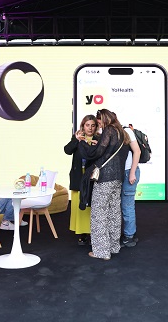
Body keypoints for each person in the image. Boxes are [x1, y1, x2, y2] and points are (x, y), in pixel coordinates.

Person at [79, 109, 130, 260]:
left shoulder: (109, 130)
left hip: (105, 178)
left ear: (104, 119)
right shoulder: (122, 132)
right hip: (117, 178)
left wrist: (82, 142)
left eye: (99, 122)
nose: (99, 125)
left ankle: (101, 252)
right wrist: (98, 144)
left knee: (99, 214)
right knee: (114, 213)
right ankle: (114, 247)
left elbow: (96, 153)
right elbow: (108, 150)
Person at [65, 115, 99, 245]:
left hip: (92, 178)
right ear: (83, 126)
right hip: (78, 177)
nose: (90, 128)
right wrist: (76, 140)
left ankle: (92, 232)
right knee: (79, 206)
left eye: (93, 125)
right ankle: (83, 233)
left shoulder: (99, 139)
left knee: (91, 206)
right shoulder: (78, 137)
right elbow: (67, 150)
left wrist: (97, 147)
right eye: (87, 125)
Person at [121, 124, 141, 247]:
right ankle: (129, 234)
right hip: (127, 172)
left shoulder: (126, 131)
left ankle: (129, 236)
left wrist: (132, 173)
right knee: (127, 205)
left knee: (127, 205)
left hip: (128, 172)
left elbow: (137, 151)